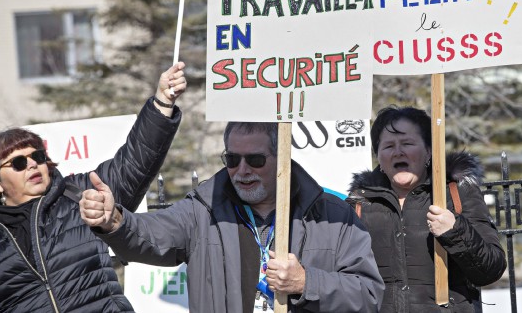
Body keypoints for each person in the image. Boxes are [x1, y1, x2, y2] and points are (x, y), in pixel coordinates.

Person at [0, 62, 187, 312]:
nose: (32, 165)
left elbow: (135, 162)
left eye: (38, 157)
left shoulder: (79, 195)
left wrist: (162, 103)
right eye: (19, 163)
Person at [80, 121, 385, 312]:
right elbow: (151, 235)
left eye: (254, 159)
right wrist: (115, 222)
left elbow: (368, 295)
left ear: (282, 159)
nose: (242, 170)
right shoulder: (203, 209)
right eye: (232, 158)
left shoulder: (333, 215)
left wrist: (306, 282)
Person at [347, 106, 506, 313]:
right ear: (378, 156)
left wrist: (455, 231)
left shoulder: (455, 192)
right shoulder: (359, 204)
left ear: (429, 151)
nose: (398, 152)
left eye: (407, 143)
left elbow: (491, 269)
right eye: (388, 146)